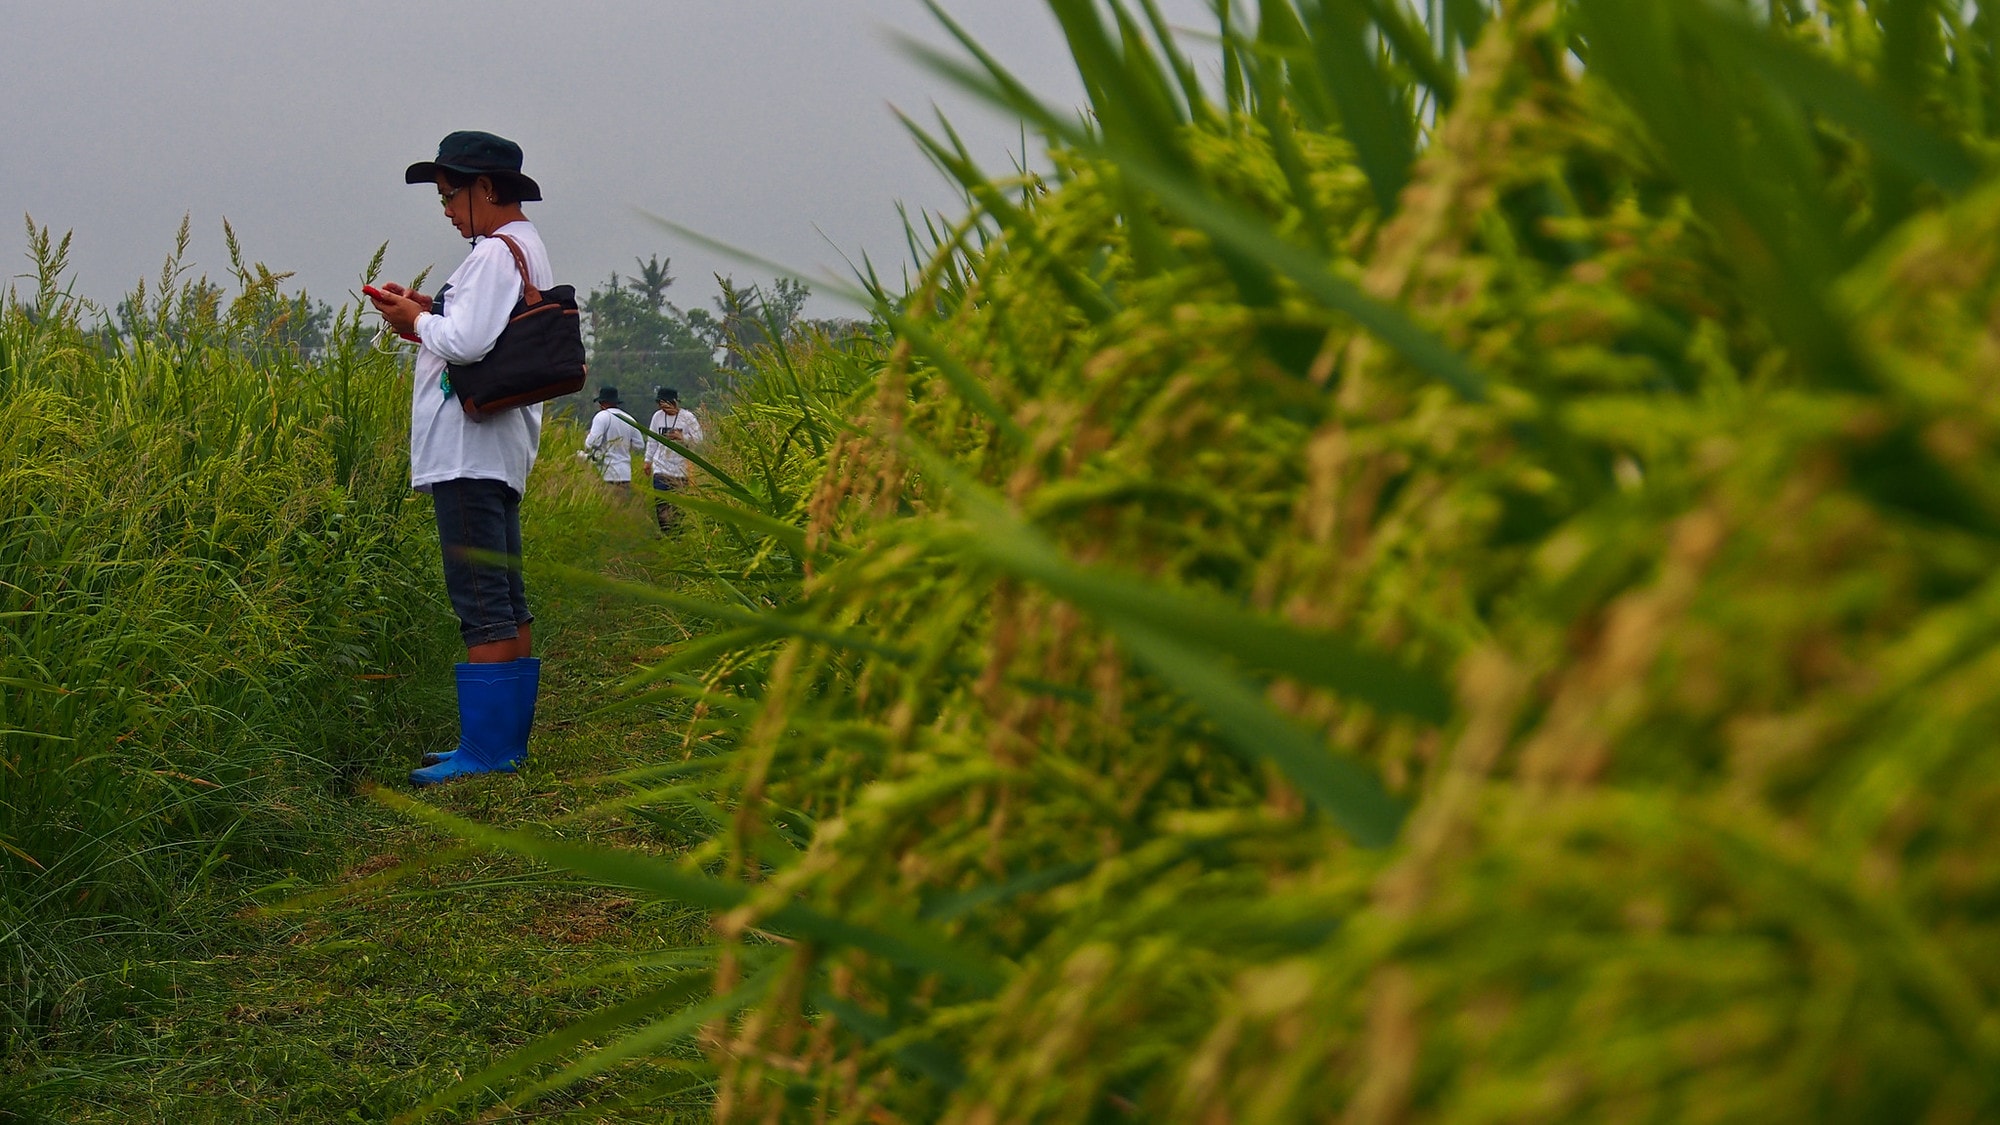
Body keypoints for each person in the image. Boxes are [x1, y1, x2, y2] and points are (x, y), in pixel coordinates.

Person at [366, 130, 550, 787]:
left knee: (481, 598)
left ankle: (487, 751)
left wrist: (414, 324)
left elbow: (467, 341)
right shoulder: (522, 249)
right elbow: (480, 327)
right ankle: (500, 743)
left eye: (451, 194)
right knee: (504, 596)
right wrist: (423, 308)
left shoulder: (496, 253)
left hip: (468, 454)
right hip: (496, 452)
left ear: (488, 190)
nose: (445, 208)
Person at [643, 386, 704, 533]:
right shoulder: (657, 417)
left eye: (666, 404)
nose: (662, 408)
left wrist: (682, 438)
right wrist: (647, 460)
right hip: (660, 468)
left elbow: (700, 441)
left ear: (674, 403)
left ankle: (677, 536)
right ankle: (666, 534)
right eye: (660, 404)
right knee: (661, 503)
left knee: (678, 507)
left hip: (680, 470)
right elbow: (652, 441)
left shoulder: (687, 418)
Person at [582, 385, 645, 488]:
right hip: (625, 474)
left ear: (602, 403)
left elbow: (593, 443)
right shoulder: (629, 419)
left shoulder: (602, 416)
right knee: (622, 503)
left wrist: (588, 438)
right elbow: (639, 445)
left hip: (606, 473)